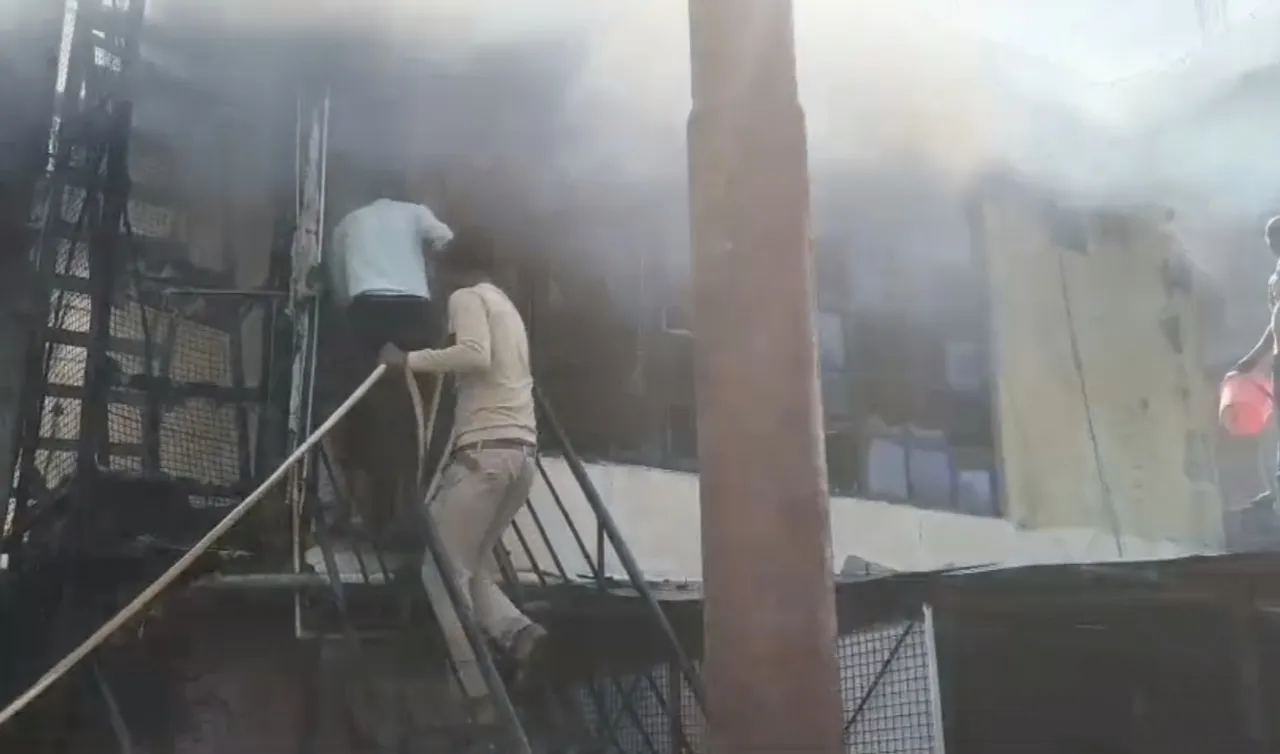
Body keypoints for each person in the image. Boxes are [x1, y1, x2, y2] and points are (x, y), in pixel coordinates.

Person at [378, 227, 547, 710]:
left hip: (484, 456)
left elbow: (475, 354)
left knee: (440, 574)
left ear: (453, 266)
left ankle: (475, 690)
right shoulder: (506, 306)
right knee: (471, 570)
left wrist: (406, 360)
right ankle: (519, 634)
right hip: (520, 455)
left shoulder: (467, 297)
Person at [323, 177, 454, 532]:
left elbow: (338, 279)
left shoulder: (348, 222)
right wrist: (426, 261)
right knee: (417, 393)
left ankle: (363, 504)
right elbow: (446, 239)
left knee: (364, 394)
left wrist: (351, 304)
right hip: (412, 308)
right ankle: (414, 496)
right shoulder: (415, 212)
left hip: (366, 306)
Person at [1228, 215, 1280, 506]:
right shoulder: (1275, 279)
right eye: (1270, 239)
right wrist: (1252, 359)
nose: (1272, 244)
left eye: (1276, 238)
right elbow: (1275, 323)